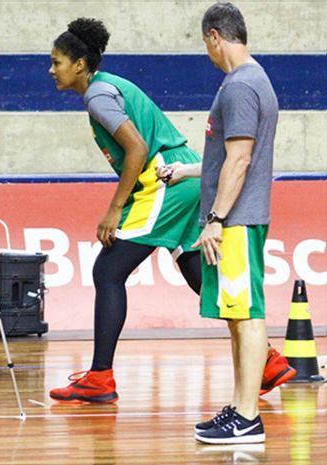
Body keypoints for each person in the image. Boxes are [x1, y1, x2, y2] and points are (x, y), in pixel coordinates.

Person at [47, 17, 294, 405]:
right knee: (197, 271)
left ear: (79, 64)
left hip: (166, 181)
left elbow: (137, 150)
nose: (51, 69)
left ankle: (99, 377)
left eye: (57, 61)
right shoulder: (110, 87)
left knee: (107, 270)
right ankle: (268, 362)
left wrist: (114, 210)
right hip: (184, 174)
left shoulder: (97, 95)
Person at [160, 2, 282, 444]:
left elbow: (241, 158)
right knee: (236, 316)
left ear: (214, 36)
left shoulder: (241, 86)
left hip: (236, 220)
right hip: (236, 216)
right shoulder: (250, 81)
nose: (207, 53)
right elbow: (224, 160)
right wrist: (190, 172)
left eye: (205, 44)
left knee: (247, 316)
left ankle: (248, 418)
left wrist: (214, 218)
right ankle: (240, 406)